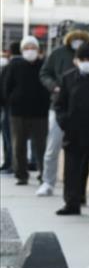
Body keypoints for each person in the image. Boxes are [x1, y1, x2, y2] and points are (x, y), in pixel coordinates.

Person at [53, 42, 89, 216]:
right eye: (82, 59)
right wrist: (65, 122)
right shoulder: (68, 78)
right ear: (76, 60)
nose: (86, 62)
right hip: (74, 133)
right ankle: (72, 203)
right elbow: (60, 104)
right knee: (73, 171)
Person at [39, 27, 89, 197]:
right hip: (59, 106)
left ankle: (78, 191)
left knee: (80, 152)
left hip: (83, 111)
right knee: (52, 147)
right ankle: (48, 182)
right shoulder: (58, 53)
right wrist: (53, 86)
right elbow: (45, 73)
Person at [5, 36, 50, 187]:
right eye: (27, 48)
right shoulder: (14, 66)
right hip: (18, 112)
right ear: (22, 50)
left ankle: (44, 174)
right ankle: (21, 174)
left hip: (40, 112)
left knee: (41, 146)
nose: (30, 51)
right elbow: (6, 86)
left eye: (33, 48)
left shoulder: (44, 66)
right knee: (19, 145)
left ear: (38, 50)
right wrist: (10, 101)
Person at [0, 42, 18, 173]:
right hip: (12, 106)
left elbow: (3, 87)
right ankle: (9, 162)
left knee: (9, 135)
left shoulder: (9, 67)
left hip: (8, 106)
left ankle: (10, 163)